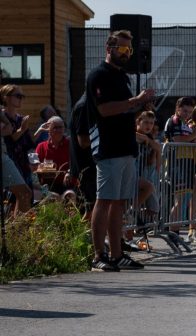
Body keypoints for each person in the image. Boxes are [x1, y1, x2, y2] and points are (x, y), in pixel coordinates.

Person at [86, 29, 155, 271]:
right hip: (109, 147)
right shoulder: (99, 75)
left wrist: (141, 105)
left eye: (130, 50)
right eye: (122, 49)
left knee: (119, 203)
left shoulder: (123, 77)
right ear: (109, 49)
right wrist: (135, 101)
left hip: (126, 147)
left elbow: (125, 110)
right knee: (104, 201)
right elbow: (104, 109)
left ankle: (116, 254)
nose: (126, 54)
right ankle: (98, 255)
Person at [0, 84, 35, 187]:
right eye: (18, 96)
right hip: (9, 163)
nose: (21, 99)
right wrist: (22, 129)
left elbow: (29, 144)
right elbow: (10, 138)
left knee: (28, 197)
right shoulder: (2, 117)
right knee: (16, 197)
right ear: (6, 97)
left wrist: (34, 161)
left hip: (23, 164)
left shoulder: (20, 119)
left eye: (22, 96)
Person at [68, 93, 96, 219]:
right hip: (85, 168)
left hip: (91, 166)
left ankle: (88, 237)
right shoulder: (83, 107)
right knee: (90, 209)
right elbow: (83, 141)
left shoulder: (90, 105)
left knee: (93, 208)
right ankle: (81, 237)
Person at [1, 107, 32, 216]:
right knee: (24, 193)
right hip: (9, 155)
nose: (21, 99)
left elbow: (9, 129)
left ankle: (19, 231)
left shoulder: (14, 116)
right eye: (18, 96)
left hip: (8, 156)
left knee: (25, 193)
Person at [34, 116, 71, 194]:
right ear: (48, 130)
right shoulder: (41, 146)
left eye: (60, 127)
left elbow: (77, 164)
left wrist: (69, 172)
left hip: (68, 185)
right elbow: (34, 168)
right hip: (48, 187)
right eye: (55, 127)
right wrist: (47, 167)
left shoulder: (70, 145)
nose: (58, 130)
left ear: (64, 128)